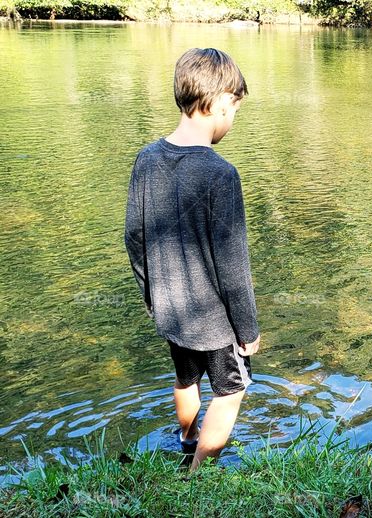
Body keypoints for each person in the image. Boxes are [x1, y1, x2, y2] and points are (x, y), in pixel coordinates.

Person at [124, 47, 260, 471]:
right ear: (219, 101)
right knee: (231, 390)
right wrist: (248, 329)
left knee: (186, 377)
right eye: (234, 108)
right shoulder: (222, 174)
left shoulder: (146, 160)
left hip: (170, 309)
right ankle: (199, 475)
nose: (232, 119)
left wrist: (152, 297)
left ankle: (185, 440)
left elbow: (134, 237)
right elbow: (233, 263)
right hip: (213, 320)